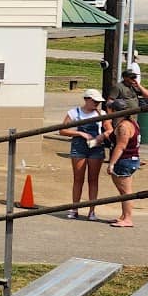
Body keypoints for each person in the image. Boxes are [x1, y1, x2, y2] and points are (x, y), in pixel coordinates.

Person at [58, 88, 107, 220]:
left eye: (98, 101)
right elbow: (62, 130)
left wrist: (101, 136)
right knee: (78, 178)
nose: (96, 104)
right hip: (79, 146)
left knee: (93, 179)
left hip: (95, 146)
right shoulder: (74, 112)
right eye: (94, 101)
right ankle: (74, 208)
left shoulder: (101, 113)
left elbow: (109, 129)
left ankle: (92, 210)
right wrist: (80, 133)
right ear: (87, 99)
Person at [106, 97, 142, 228]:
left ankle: (128, 218)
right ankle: (124, 215)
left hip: (124, 160)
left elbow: (120, 146)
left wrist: (111, 164)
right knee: (123, 191)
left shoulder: (123, 126)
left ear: (115, 111)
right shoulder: (132, 122)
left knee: (126, 191)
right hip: (130, 159)